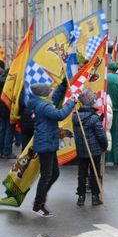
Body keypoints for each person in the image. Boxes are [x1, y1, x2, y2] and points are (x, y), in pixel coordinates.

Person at [28, 80, 75, 217]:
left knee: (54, 174)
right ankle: (38, 205)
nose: (51, 93)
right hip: (46, 143)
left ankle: (40, 200)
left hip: (49, 142)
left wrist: (63, 84)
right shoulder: (43, 106)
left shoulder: (43, 102)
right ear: (44, 94)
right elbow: (59, 115)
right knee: (47, 175)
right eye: (49, 91)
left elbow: (55, 98)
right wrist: (72, 102)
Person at [72, 89, 108, 206]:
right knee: (94, 173)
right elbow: (100, 135)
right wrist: (105, 145)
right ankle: (95, 197)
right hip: (94, 151)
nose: (96, 103)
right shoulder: (93, 118)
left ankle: (81, 197)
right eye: (94, 101)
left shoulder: (76, 117)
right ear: (90, 104)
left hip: (81, 150)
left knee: (82, 173)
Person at [0, 63, 16, 159]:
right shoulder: (10, 82)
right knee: (9, 130)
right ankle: (7, 152)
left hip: (1, 109)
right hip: (8, 108)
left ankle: (1, 150)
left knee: (2, 130)